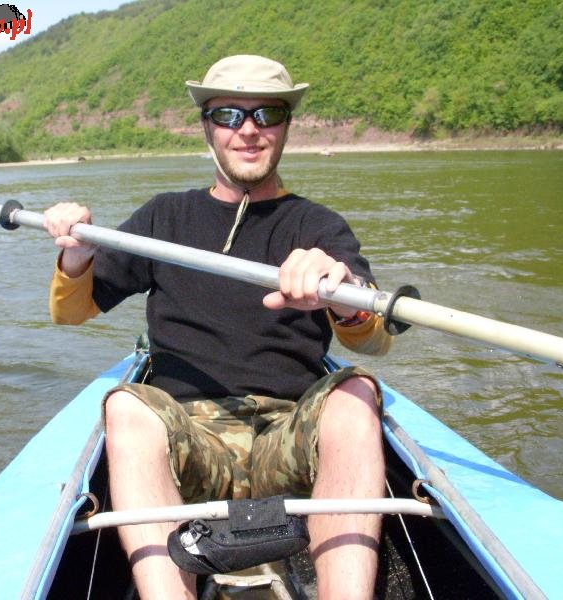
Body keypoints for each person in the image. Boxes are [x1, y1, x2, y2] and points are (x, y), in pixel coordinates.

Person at [43, 55, 393, 599]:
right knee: (126, 406)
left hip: (287, 434)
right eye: (228, 114)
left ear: (286, 126)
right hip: (189, 438)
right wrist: (77, 255)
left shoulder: (318, 226)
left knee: (357, 392)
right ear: (207, 126)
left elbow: (372, 336)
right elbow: (70, 311)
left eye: (266, 114)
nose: (248, 129)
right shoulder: (163, 218)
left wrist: (342, 293)